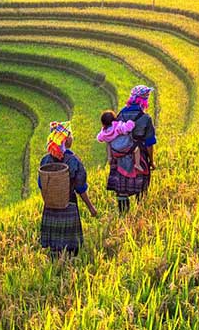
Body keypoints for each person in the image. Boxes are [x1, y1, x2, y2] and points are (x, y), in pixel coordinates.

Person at [38, 121, 99, 257]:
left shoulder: (45, 161)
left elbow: (41, 185)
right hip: (68, 204)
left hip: (50, 207)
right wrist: (91, 207)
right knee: (72, 247)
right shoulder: (73, 161)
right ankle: (68, 270)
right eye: (70, 135)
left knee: (54, 245)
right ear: (66, 140)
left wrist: (49, 201)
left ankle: (55, 266)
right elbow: (80, 188)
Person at [107, 86, 158, 214]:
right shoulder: (146, 118)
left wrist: (111, 156)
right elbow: (149, 143)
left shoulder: (121, 114)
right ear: (145, 101)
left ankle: (123, 216)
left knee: (122, 189)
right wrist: (151, 161)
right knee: (141, 188)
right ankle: (139, 216)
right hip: (138, 157)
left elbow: (112, 135)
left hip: (121, 157)